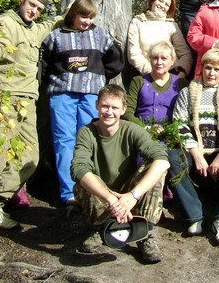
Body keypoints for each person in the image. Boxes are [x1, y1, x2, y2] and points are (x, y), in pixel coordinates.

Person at [0, 0, 64, 232]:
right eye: (32, 5)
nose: (34, 11)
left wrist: (72, 12)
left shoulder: (34, 29)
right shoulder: (6, 23)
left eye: (39, 9)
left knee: (31, 157)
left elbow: (52, 23)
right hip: (6, 96)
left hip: (28, 100)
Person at [70, 85, 170, 263]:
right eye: (105, 106)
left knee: (156, 170)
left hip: (128, 192)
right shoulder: (87, 132)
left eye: (114, 108)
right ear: (97, 105)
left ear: (123, 110)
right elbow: (78, 167)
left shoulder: (132, 130)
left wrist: (132, 196)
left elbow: (162, 160)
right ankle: (101, 227)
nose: (109, 112)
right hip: (103, 193)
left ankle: (144, 232)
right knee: (84, 178)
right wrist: (111, 199)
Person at [42, 0, 124, 206]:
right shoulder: (56, 36)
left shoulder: (101, 35)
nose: (87, 21)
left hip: (91, 95)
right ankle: (68, 192)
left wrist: (99, 76)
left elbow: (116, 60)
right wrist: (57, 78)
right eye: (83, 16)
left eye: (91, 17)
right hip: (62, 94)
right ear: (73, 15)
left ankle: (90, 189)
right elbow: (45, 64)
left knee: (88, 140)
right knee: (64, 141)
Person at [167, 48, 219, 245]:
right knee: (173, 157)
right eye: (208, 68)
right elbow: (180, 125)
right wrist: (197, 155)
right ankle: (194, 216)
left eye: (216, 69)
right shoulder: (187, 93)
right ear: (201, 69)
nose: (211, 73)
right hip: (196, 153)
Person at [126, 0, 192, 80]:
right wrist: (153, 73)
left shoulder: (171, 25)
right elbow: (133, 53)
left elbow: (185, 54)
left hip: (172, 75)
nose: (162, 5)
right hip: (147, 75)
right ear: (153, 1)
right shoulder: (137, 22)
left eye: (167, 4)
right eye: (160, 1)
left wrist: (181, 75)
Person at [124, 41, 189, 131]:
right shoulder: (138, 81)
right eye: (155, 58)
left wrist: (169, 131)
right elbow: (127, 112)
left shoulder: (181, 83)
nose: (159, 62)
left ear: (172, 61)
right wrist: (145, 128)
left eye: (164, 58)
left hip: (171, 133)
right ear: (150, 59)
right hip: (142, 133)